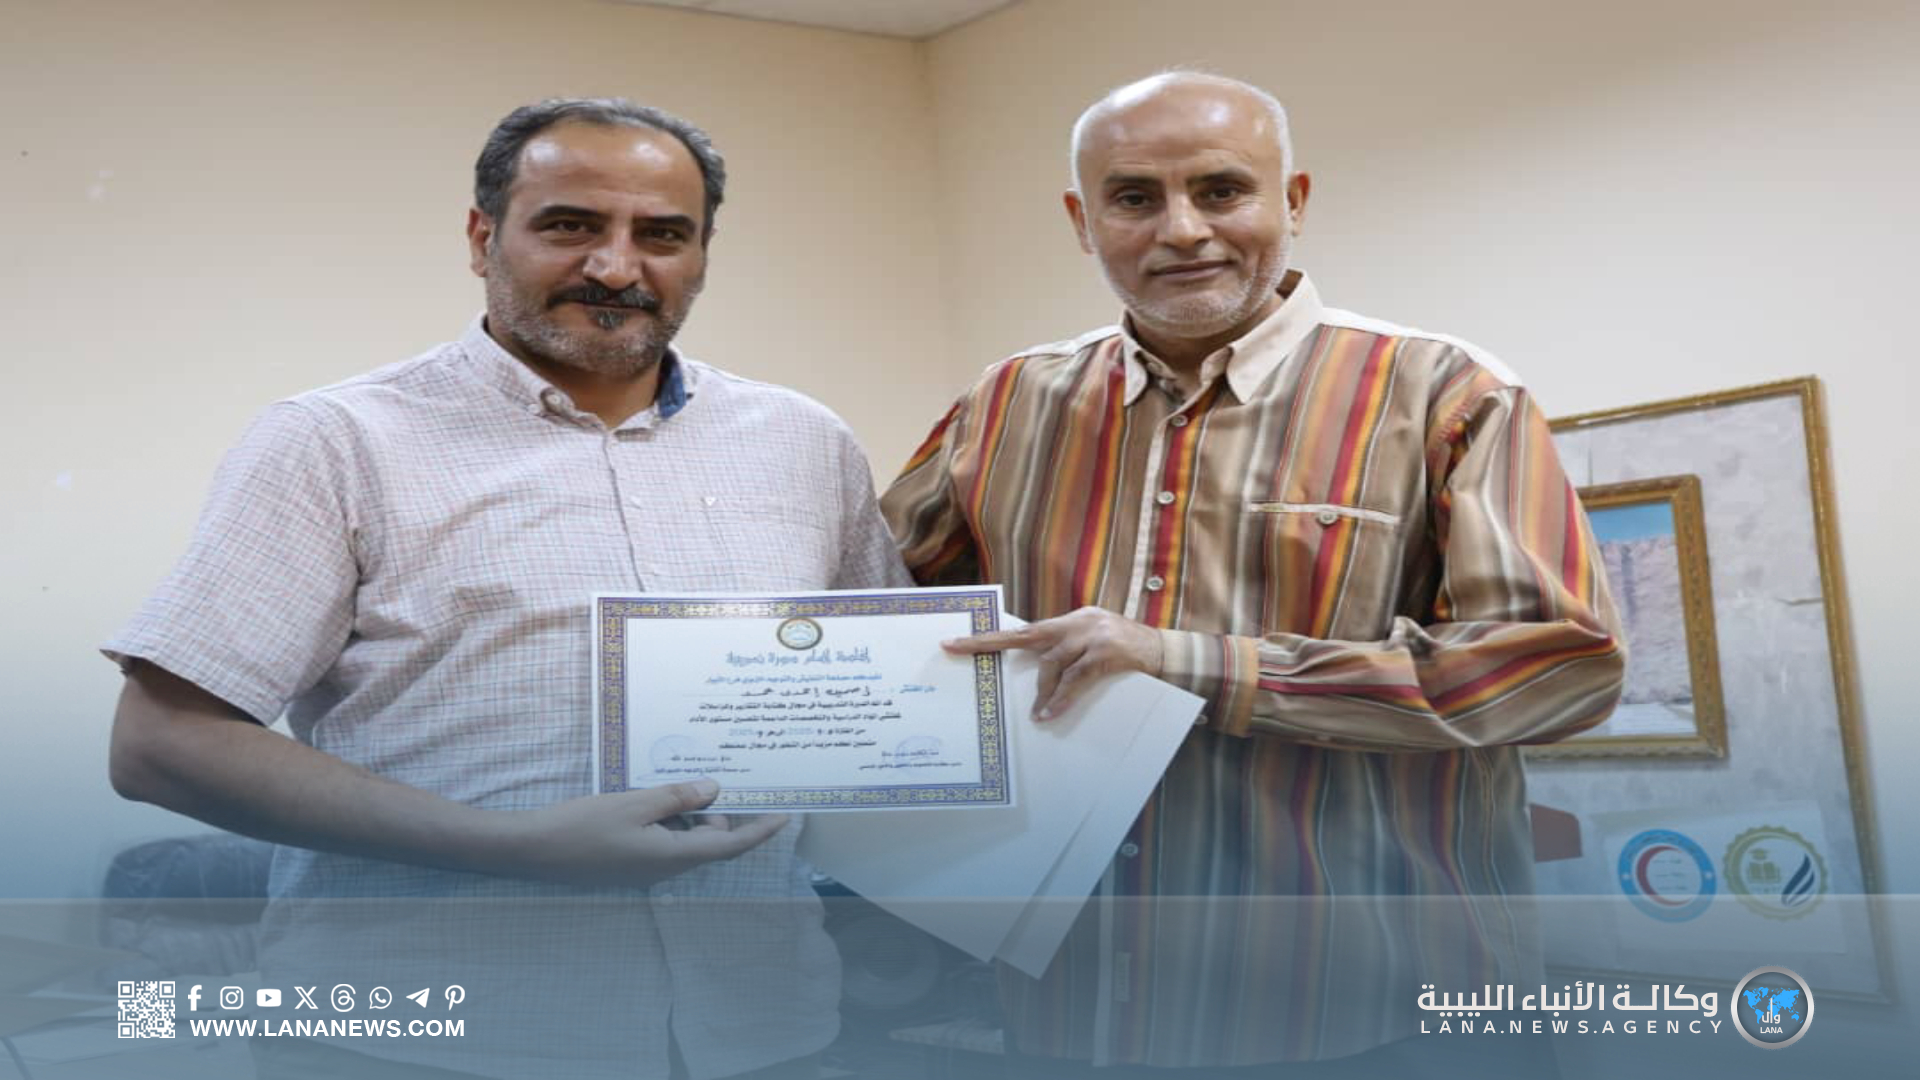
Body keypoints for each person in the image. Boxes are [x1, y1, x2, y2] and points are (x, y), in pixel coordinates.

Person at [105, 98, 909, 1080]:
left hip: (764, 1032)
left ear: (703, 253)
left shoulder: (805, 443)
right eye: (571, 225)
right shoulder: (336, 442)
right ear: (483, 236)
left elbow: (881, 708)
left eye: (663, 235)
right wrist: (512, 844)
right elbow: (162, 744)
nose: (616, 267)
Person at [882, 72, 1626, 1077]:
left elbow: (1560, 664)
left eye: (1222, 190)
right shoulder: (1006, 405)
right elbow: (883, 618)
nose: (1183, 230)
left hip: (1381, 1017)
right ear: (1083, 221)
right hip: (1076, 1012)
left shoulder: (1446, 392)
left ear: (1294, 201)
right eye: (1134, 198)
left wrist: (1192, 664)